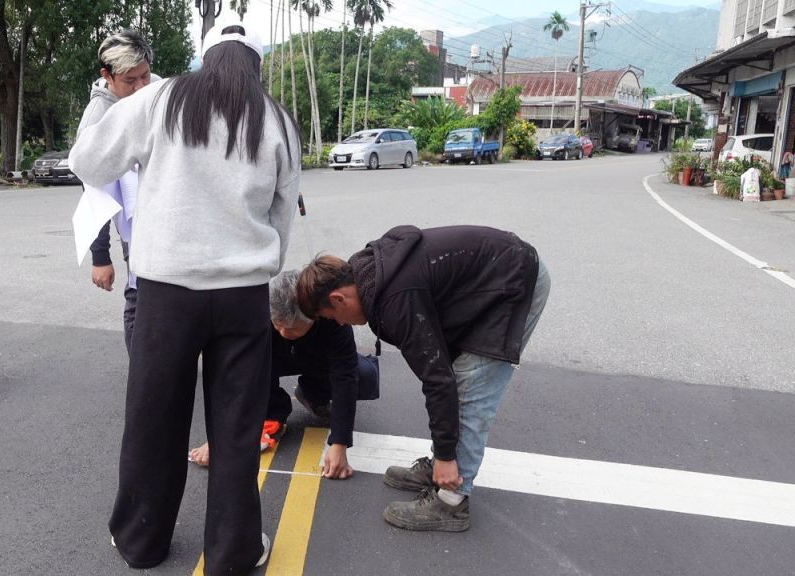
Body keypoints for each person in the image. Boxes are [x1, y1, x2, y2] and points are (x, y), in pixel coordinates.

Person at [70, 23, 300, 575]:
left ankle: (141, 540)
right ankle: (234, 550)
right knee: (237, 426)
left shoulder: (160, 98)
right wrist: (262, 266)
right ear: (256, 65)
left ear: (205, 59)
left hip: (166, 292)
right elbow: (281, 212)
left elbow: (88, 162)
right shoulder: (276, 119)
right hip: (243, 294)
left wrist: (103, 95)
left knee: (154, 418)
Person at [296, 225, 550, 532]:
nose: (338, 324)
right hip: (493, 275)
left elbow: (437, 379)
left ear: (338, 299)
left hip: (514, 283)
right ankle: (443, 467)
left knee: (472, 388)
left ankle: (452, 500)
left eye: (331, 317)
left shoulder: (395, 301)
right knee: (457, 380)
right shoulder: (366, 274)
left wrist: (445, 455)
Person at [188, 270, 379, 480]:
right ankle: (272, 411)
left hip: (318, 359)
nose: (284, 333)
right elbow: (233, 376)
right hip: (271, 360)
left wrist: (340, 443)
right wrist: (219, 438)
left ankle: (314, 393)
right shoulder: (255, 309)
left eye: (293, 328)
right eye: (278, 325)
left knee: (365, 376)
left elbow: (345, 376)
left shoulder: (331, 318)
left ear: (314, 316)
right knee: (249, 365)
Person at [75, 29, 159, 351]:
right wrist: (100, 257)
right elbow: (94, 193)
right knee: (140, 292)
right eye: (129, 80)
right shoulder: (97, 118)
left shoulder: (154, 90)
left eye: (145, 76)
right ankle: (142, 369)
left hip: (163, 213)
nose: (140, 87)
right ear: (107, 76)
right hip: (134, 225)